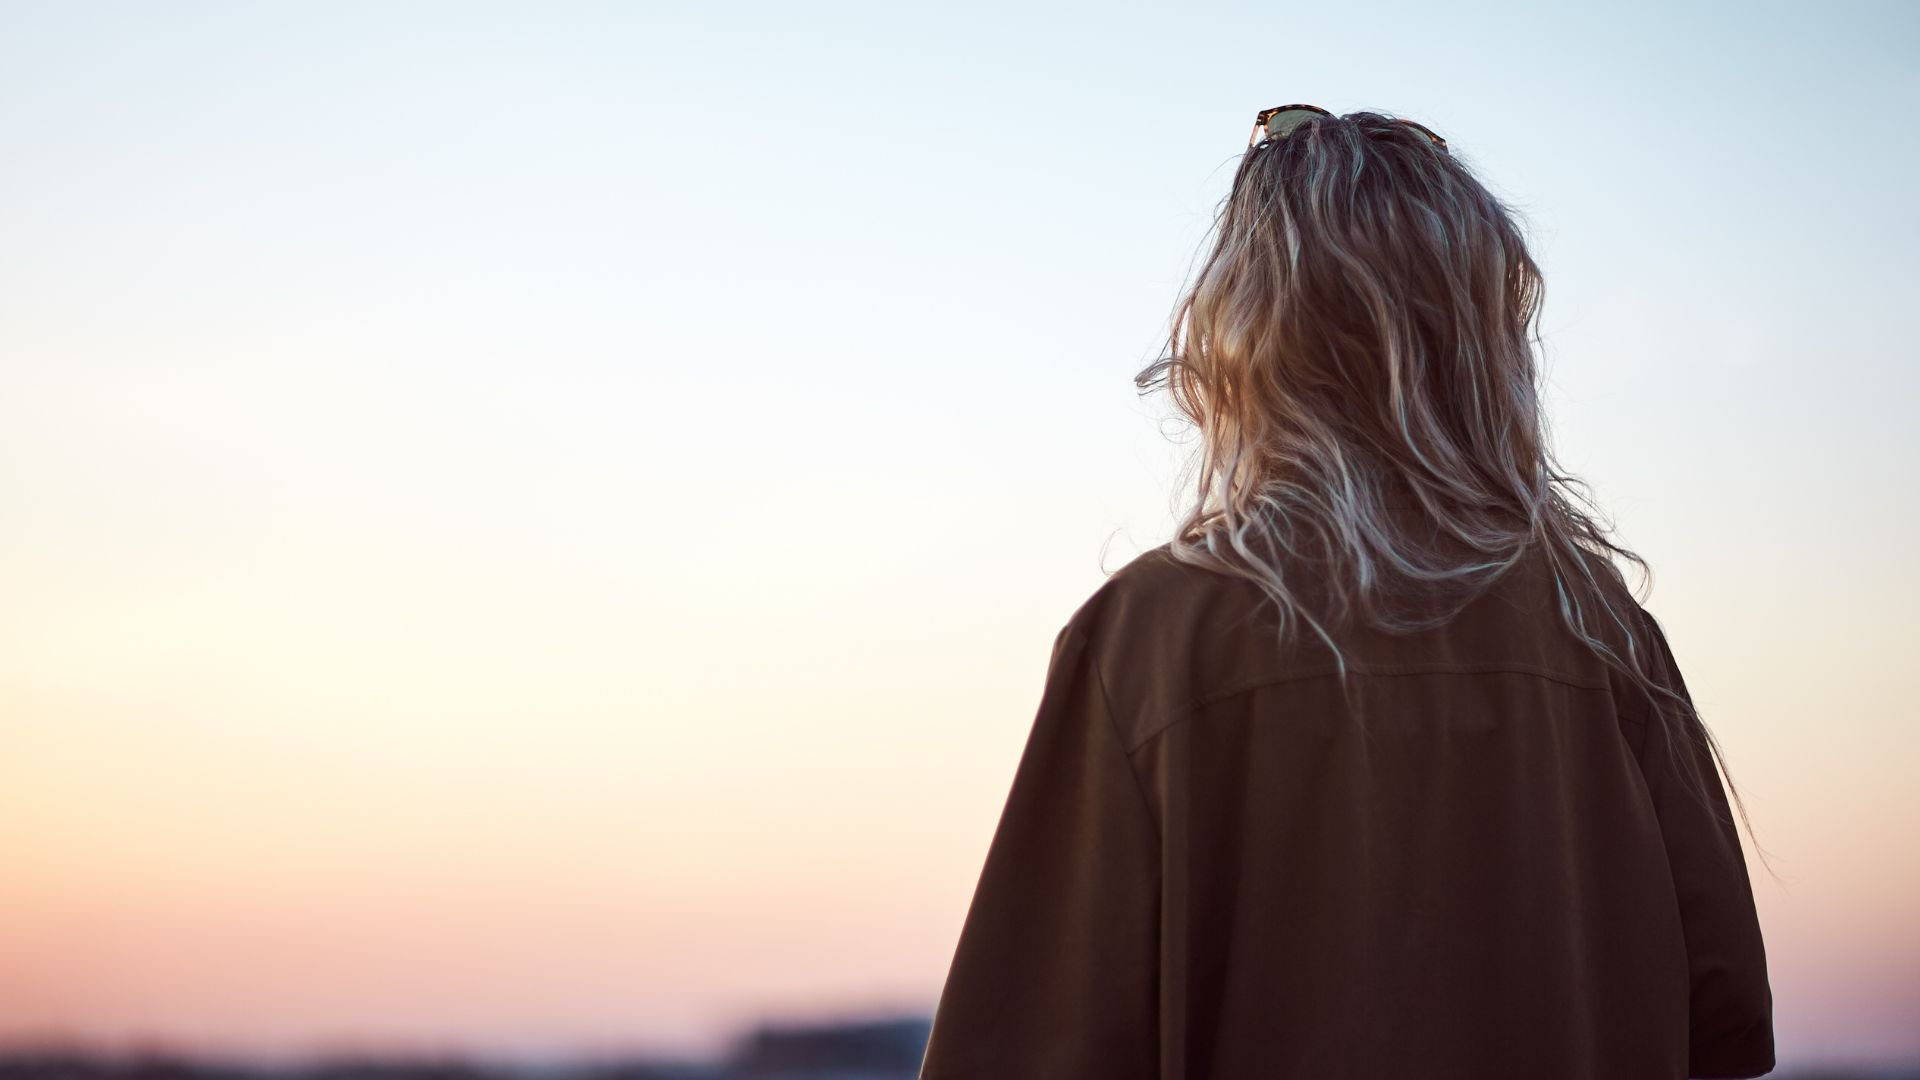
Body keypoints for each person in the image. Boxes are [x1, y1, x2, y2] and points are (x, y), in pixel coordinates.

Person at [916, 105, 1776, 1079]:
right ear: (1484, 342)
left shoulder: (1153, 636)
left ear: (1248, 329)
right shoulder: (1606, 635)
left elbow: (1028, 1046)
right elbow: (1727, 1021)